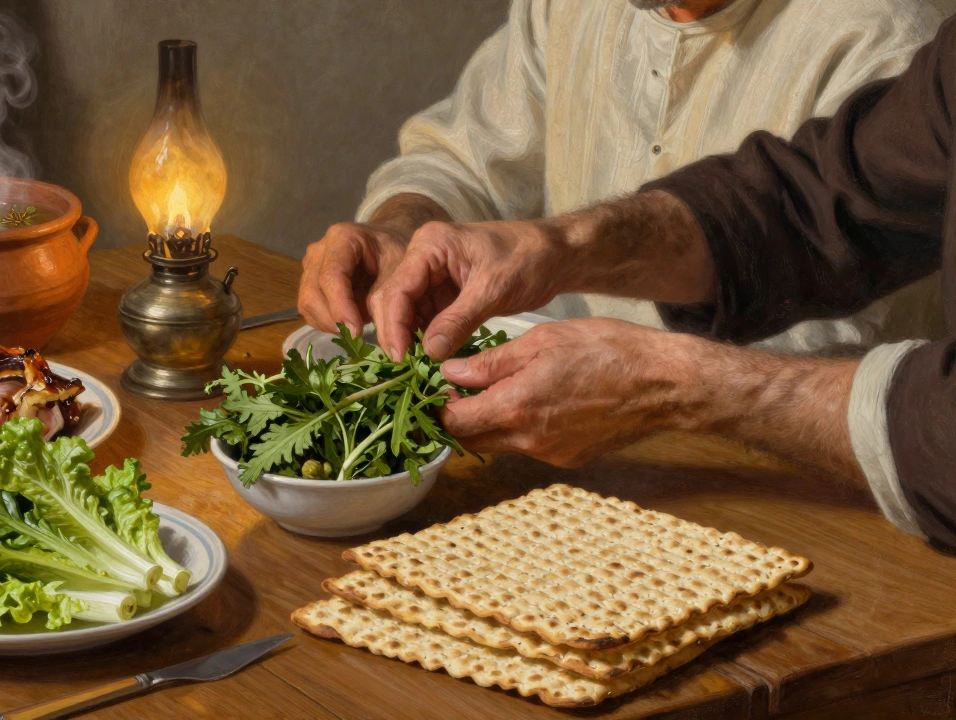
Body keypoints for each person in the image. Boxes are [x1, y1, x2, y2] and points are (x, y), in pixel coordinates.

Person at [357, 15, 956, 552]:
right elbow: (812, 201)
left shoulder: (885, 29)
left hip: (835, 531)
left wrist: (667, 385)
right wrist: (561, 246)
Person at [300, 0, 949, 354]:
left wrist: (627, 380)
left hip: (805, 490)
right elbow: (465, 157)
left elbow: (821, 334)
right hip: (575, 449)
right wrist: (399, 227)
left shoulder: (884, 32)